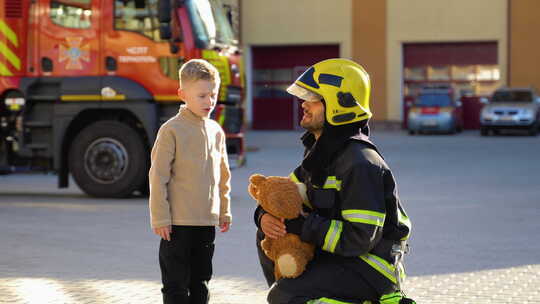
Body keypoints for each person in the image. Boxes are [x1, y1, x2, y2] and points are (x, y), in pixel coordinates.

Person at [253, 58, 413, 304]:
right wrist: (264, 216)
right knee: (270, 236)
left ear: (340, 104)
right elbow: (284, 194)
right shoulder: (322, 152)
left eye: (313, 98)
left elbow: (359, 239)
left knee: (286, 296)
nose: (303, 104)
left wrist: (302, 225)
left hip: (370, 266)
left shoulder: (361, 163)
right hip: (339, 255)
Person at [149, 59, 232, 304]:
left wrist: (224, 210)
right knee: (175, 284)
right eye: (202, 96)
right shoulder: (171, 130)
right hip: (176, 225)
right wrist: (160, 217)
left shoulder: (216, 131)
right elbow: (158, 176)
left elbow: (223, 175)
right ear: (182, 94)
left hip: (206, 222)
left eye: (213, 95)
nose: (209, 101)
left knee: (201, 281)